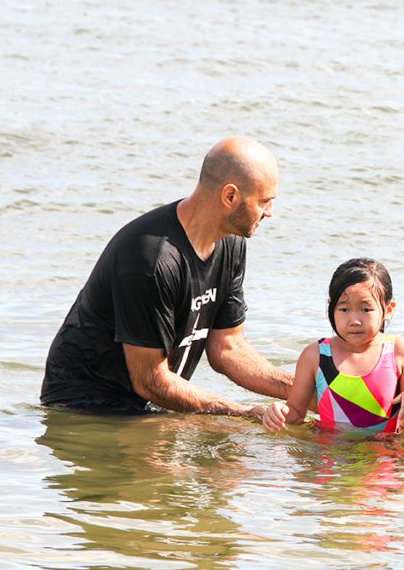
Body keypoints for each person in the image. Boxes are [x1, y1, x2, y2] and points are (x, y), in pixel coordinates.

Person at [40, 137, 293, 416]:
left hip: (150, 403)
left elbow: (228, 347)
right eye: (264, 201)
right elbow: (149, 380)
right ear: (230, 196)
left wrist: (304, 392)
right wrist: (240, 413)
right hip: (86, 408)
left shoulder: (231, 244)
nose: (269, 212)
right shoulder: (152, 258)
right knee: (237, 438)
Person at [257, 258, 404, 435]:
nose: (354, 321)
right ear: (331, 307)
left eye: (366, 309)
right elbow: (297, 413)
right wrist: (279, 412)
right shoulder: (316, 356)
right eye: (344, 309)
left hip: (383, 457)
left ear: (388, 309)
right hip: (330, 456)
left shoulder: (400, 351)